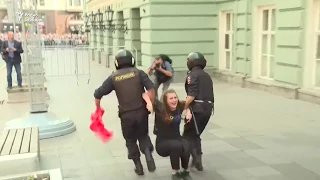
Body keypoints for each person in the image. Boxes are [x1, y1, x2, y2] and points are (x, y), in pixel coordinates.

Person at [93, 49, 156, 176]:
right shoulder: (139, 73)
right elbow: (151, 89)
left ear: (116, 62)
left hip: (126, 115)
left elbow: (98, 94)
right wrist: (150, 104)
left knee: (130, 140)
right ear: (132, 60)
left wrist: (98, 108)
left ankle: (138, 167)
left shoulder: (113, 77)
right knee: (143, 135)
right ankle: (148, 155)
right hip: (141, 112)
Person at [147, 89, 193, 180]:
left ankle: (184, 171)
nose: (174, 100)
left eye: (175, 97)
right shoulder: (160, 109)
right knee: (176, 145)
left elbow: (189, 103)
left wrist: (188, 112)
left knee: (186, 144)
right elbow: (149, 94)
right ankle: (175, 173)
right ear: (165, 101)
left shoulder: (179, 106)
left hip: (176, 138)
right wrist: (149, 102)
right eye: (171, 98)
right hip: (162, 143)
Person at [182, 52, 214, 171]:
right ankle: (198, 160)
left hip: (197, 109)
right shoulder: (207, 75)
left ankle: (194, 159)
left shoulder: (192, 75)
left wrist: (183, 107)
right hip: (208, 109)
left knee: (187, 135)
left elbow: (192, 95)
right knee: (196, 134)